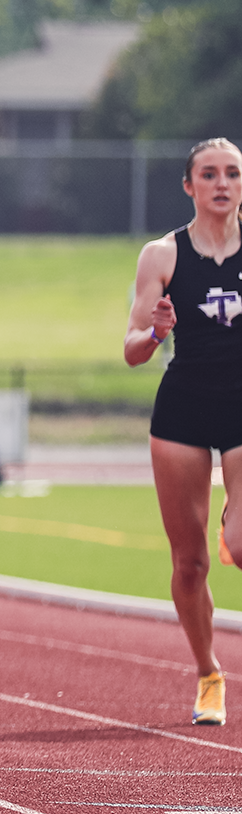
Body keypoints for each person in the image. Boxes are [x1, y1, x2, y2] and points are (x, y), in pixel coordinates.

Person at [124, 136, 242, 727]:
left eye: (233, 173)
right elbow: (132, 350)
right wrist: (155, 332)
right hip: (184, 407)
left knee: (241, 545)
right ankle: (208, 672)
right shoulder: (162, 256)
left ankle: (234, 517)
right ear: (189, 185)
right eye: (210, 174)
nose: (223, 183)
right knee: (190, 562)